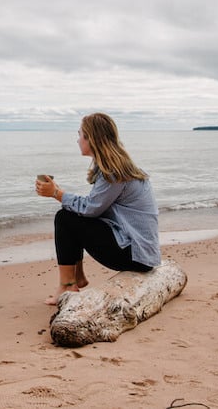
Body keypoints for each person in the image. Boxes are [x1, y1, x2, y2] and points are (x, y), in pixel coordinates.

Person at [35, 113, 160, 305]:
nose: (77, 140)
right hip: (140, 251)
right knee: (71, 215)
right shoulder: (118, 167)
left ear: (91, 139)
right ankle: (77, 278)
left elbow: (90, 209)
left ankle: (68, 285)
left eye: (80, 135)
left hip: (134, 255)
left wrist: (56, 193)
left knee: (65, 218)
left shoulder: (113, 172)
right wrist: (59, 192)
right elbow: (93, 207)